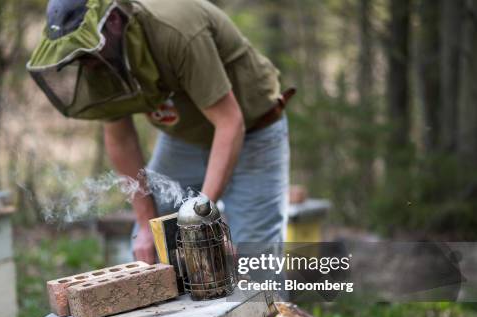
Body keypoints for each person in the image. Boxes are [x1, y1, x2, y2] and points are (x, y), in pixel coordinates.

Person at [28, 0, 292, 263]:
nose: (86, 65)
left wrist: (200, 215)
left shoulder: (175, 29)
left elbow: (229, 123)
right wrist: (145, 224)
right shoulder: (97, 58)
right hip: (182, 140)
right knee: (155, 241)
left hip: (253, 131)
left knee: (257, 260)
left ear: (114, 21)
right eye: (77, 57)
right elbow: (120, 140)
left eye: (87, 53)